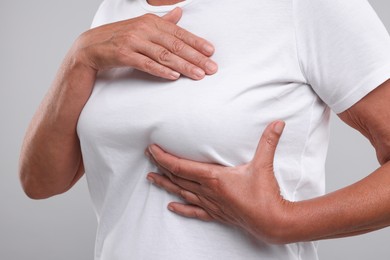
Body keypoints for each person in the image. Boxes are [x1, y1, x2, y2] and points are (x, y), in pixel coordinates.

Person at [19, 0, 390, 259]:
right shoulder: (113, 12)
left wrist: (286, 222)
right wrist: (79, 57)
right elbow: (40, 182)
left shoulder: (303, 5)